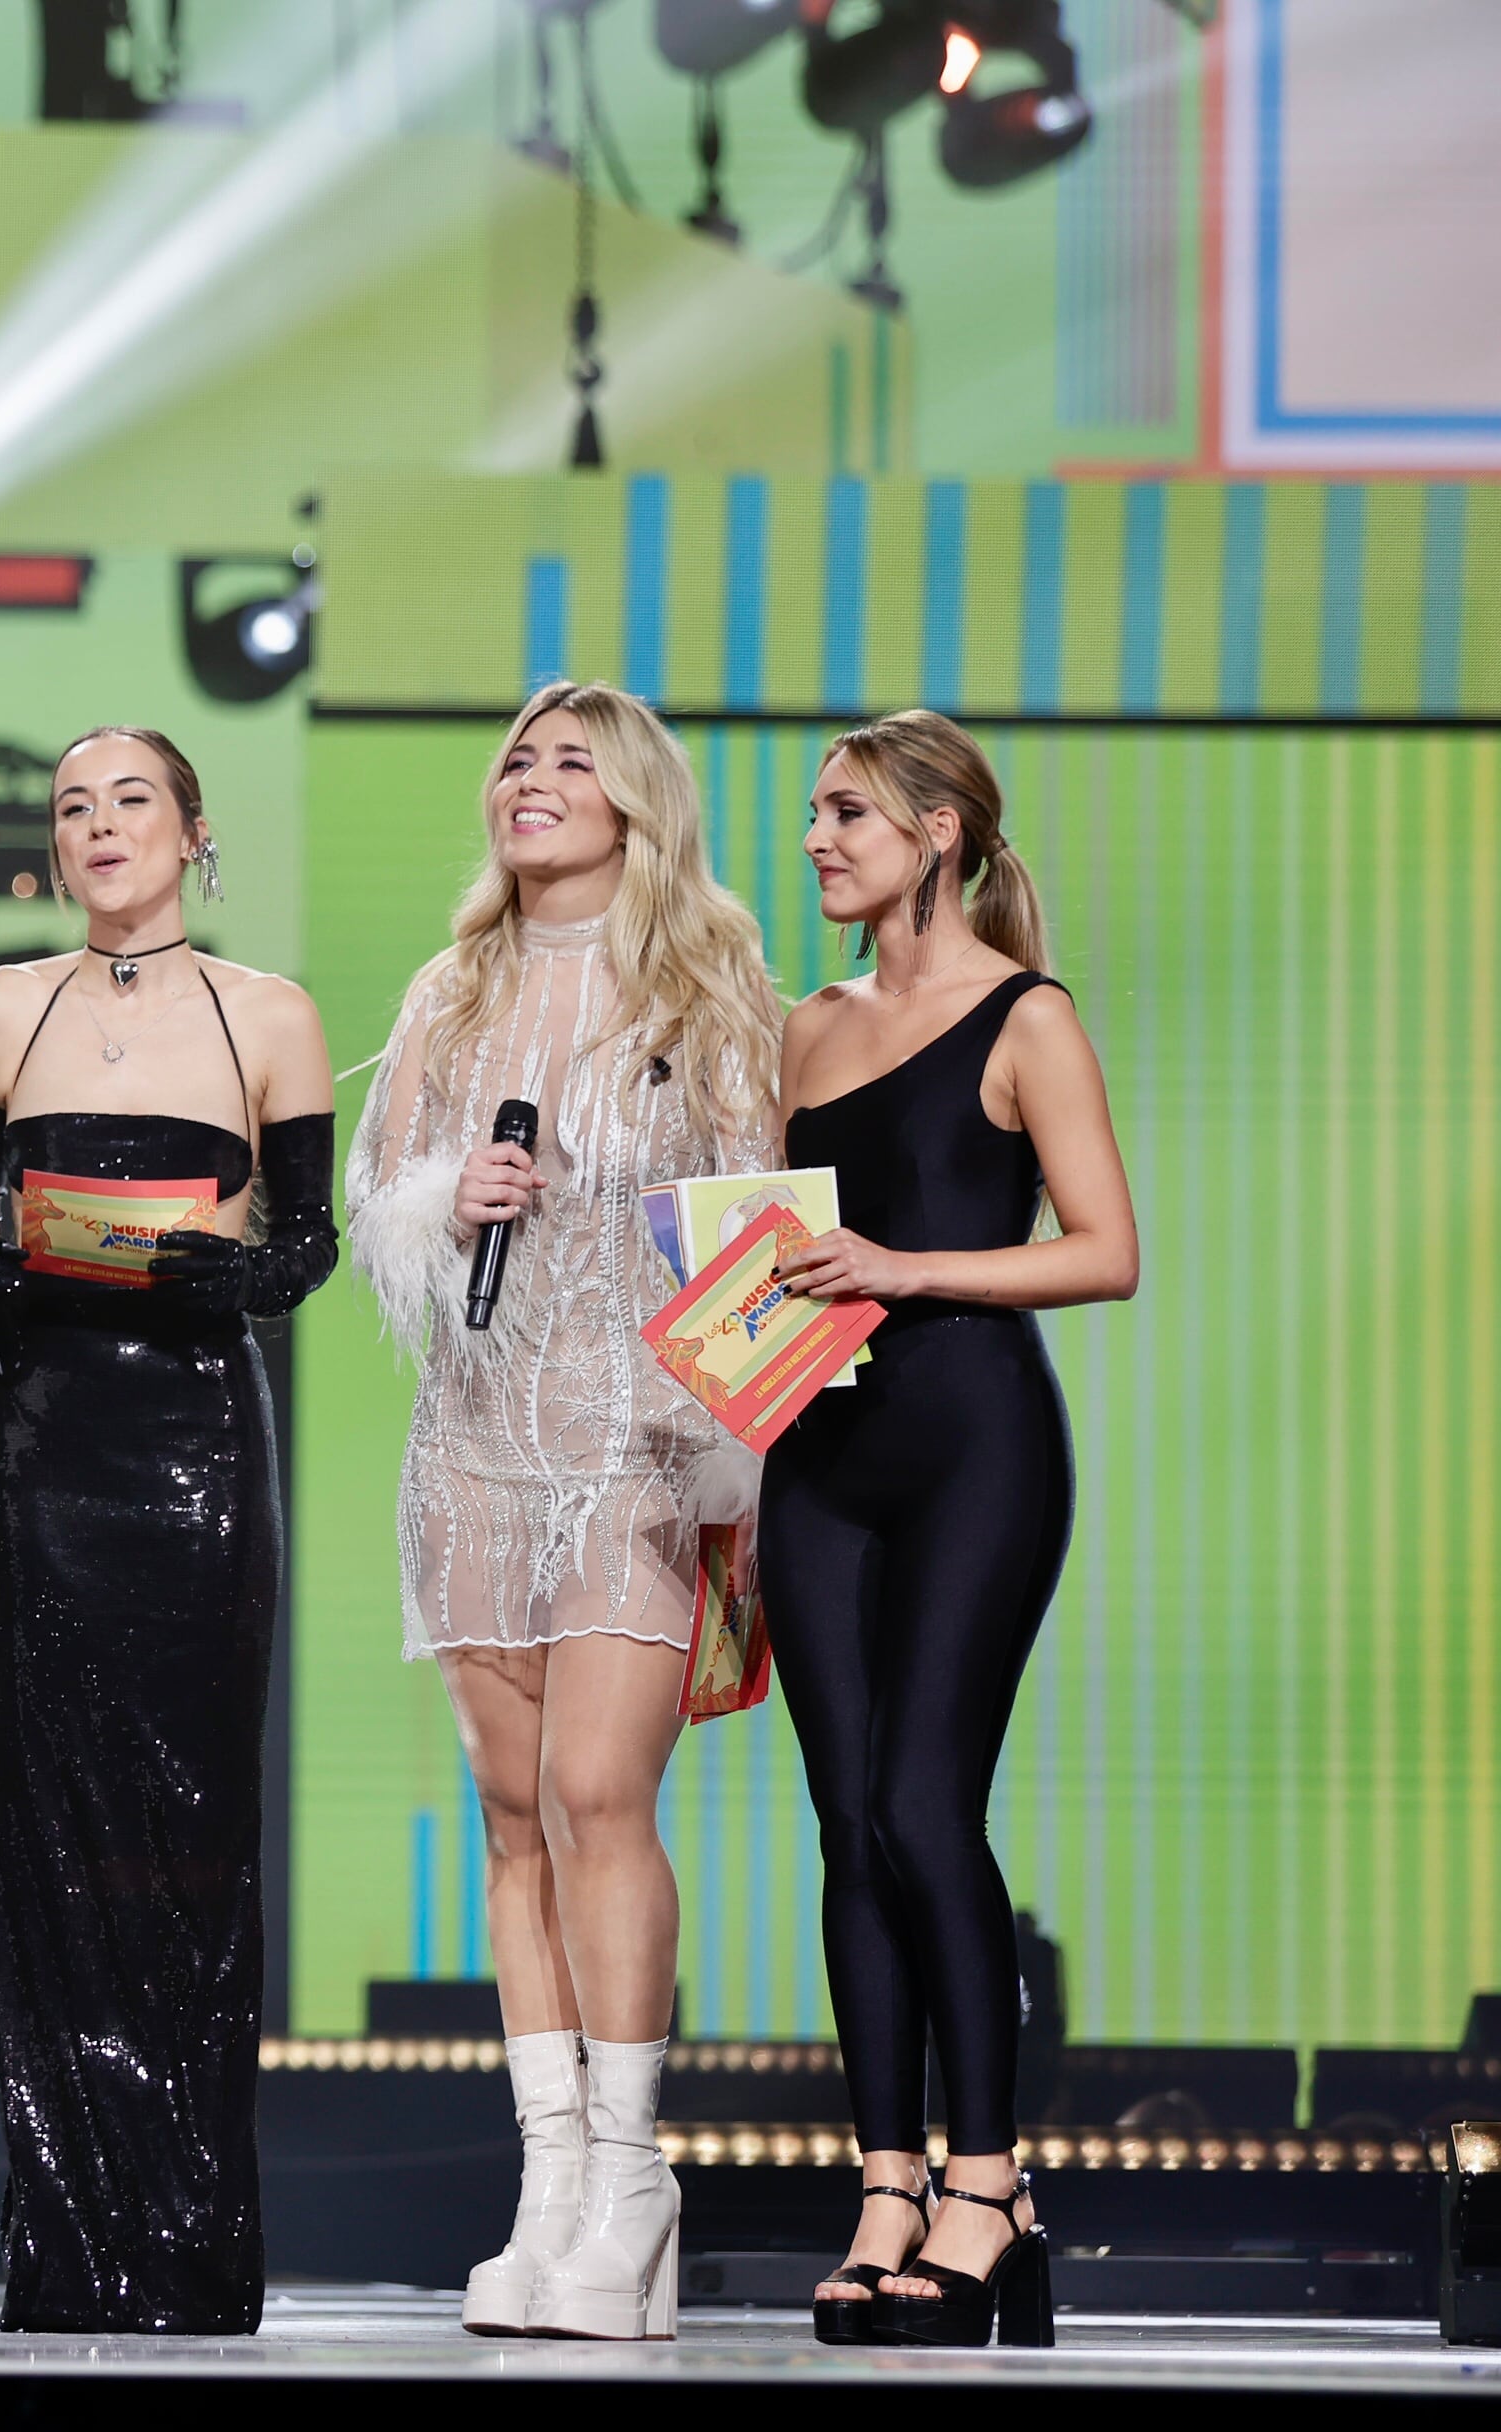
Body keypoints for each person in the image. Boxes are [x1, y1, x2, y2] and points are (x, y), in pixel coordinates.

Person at [341, 680, 780, 2341]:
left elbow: (756, 1220)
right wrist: (453, 1198)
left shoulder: (707, 982)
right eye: (517, 758)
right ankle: (546, 2190)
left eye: (570, 762)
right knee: (514, 1816)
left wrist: (728, 1436)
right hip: (471, 1446)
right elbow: (382, 1201)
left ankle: (634, 2175)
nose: (532, 781)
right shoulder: (450, 992)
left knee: (602, 1793)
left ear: (634, 803)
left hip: (641, 1447)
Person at [0, 727, 337, 2335]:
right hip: (39, 1437)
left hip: (194, 1447)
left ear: (193, 834)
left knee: (192, 1818)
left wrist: (236, 1278)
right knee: (44, 1814)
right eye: (74, 808)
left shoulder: (272, 1015)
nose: (100, 828)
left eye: (131, 803)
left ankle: (188, 2239)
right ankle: (66, 2243)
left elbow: (301, 1242)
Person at [765, 710, 1135, 2350]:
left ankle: (990, 2192)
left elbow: (1104, 1249)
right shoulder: (801, 1027)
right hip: (813, 1449)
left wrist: (907, 1272)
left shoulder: (1026, 1017)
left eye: (846, 813)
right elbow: (773, 1246)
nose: (819, 840)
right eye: (815, 816)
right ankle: (889, 2188)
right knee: (849, 1826)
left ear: (937, 831)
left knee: (926, 1806)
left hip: (977, 1440)